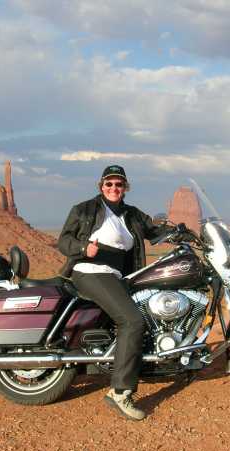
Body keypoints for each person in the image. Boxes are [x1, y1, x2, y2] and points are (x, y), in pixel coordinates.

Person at [57, 165, 169, 420]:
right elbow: (63, 240)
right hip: (90, 270)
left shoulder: (132, 214)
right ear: (101, 186)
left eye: (119, 184)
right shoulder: (85, 209)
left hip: (117, 275)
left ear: (125, 188)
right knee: (132, 321)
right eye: (109, 184)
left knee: (147, 310)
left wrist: (181, 232)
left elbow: (154, 231)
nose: (114, 188)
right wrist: (84, 248)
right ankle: (120, 392)